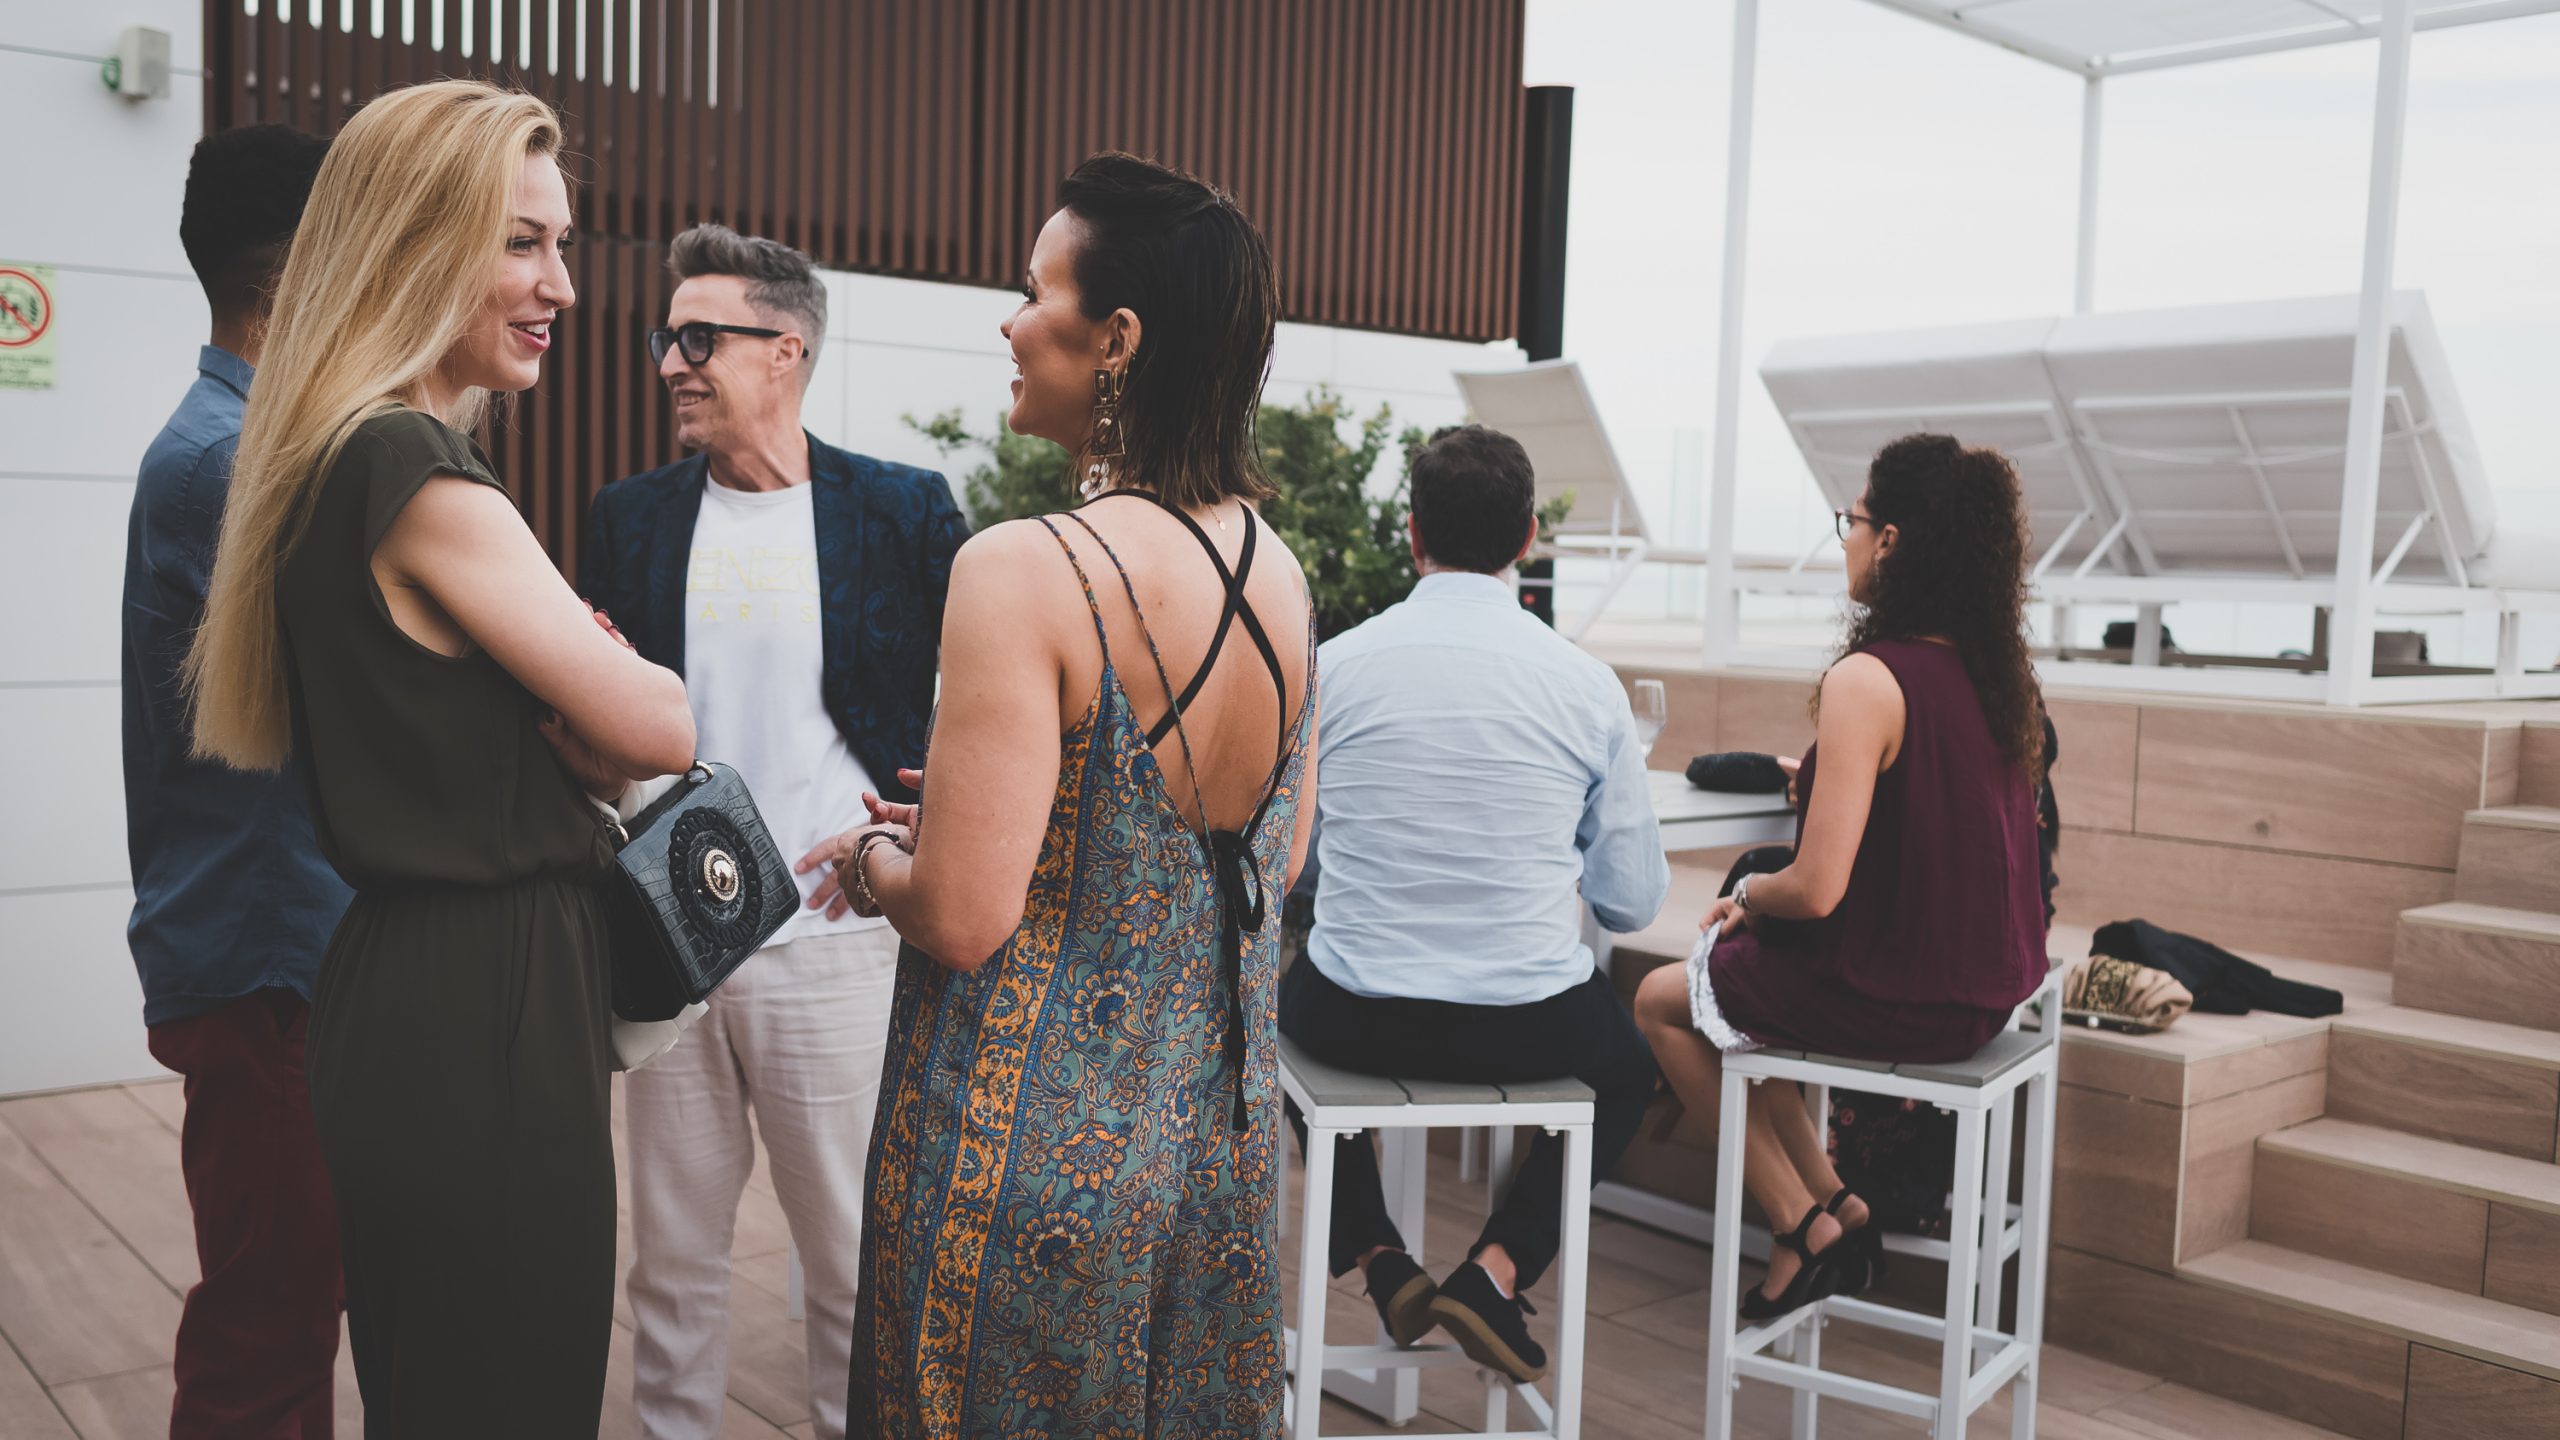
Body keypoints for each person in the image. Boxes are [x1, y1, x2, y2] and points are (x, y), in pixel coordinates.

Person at [182, 80, 696, 1433]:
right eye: (523, 241)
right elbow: (664, 727)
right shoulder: (411, 465)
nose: (563, 285)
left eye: (564, 243)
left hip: (415, 988)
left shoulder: (328, 458)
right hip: (482, 1004)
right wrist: (609, 687)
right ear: (413, 241)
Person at [834, 152, 1317, 1437]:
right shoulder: (1282, 574)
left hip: (1018, 1189)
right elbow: (1270, 856)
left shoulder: (1023, 568)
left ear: (1117, 340)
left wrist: (880, 862)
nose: (1005, 317)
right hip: (1209, 1169)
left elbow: (960, 918)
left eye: (1030, 287)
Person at [579, 223, 967, 1440]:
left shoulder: (902, 512)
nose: (671, 364)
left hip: (839, 942)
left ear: (785, 348)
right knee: (674, 1270)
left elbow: (980, 707)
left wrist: (918, 850)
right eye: (667, 337)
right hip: (671, 947)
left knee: (855, 1262)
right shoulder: (629, 518)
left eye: (700, 337)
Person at [1280, 424, 1670, 1384]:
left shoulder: (1336, 667)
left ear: (1413, 534)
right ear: (1528, 536)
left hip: (1357, 1018)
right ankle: (1495, 1270)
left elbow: (1300, 865)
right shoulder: (1587, 688)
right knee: (1626, 1073)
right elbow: (1630, 904)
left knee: (1265, 1022)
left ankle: (1379, 1257)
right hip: (1528, 1026)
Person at [1632, 433, 2049, 1320]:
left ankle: (1800, 1225)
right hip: (1985, 994)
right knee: (1742, 999)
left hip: (1900, 993)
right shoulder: (1999, 675)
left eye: (1851, 521)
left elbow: (1817, 888)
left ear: (1893, 539)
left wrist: (1747, 896)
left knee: (1668, 999)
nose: (1846, 540)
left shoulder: (1870, 677)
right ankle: (1839, 1204)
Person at [121, 121, 342, 1440]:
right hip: (271, 969)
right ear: (308, 269)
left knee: (288, 1310)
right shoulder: (228, 462)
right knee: (265, 1338)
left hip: (289, 957)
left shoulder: (249, 443)